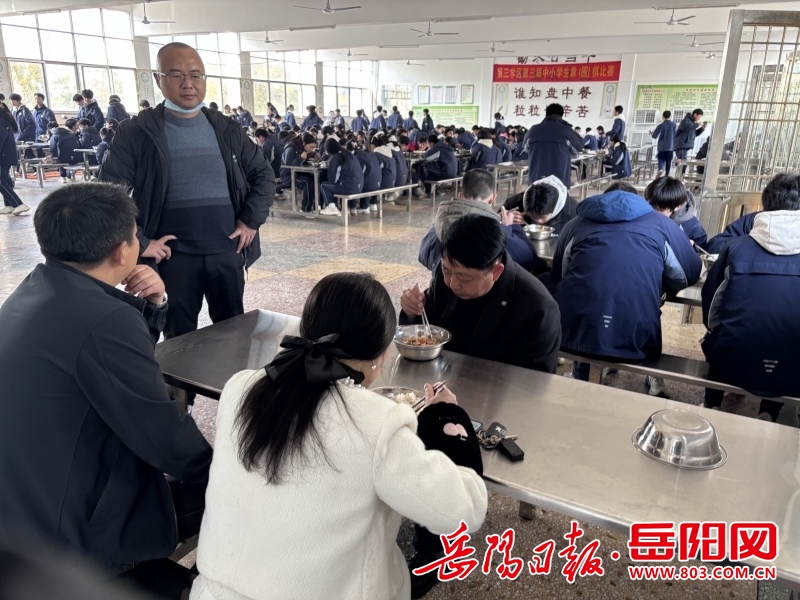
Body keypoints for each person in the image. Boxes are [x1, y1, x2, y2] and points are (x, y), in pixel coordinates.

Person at [189, 272, 486, 600]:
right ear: (381, 355)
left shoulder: (240, 388)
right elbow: (465, 510)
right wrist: (447, 417)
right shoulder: (376, 422)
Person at [0, 183, 212, 572]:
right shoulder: (105, 319)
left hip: (23, 501)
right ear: (121, 251)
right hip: (68, 533)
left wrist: (154, 304)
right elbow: (161, 434)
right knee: (219, 488)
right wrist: (224, 471)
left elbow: (105, 359)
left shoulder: (35, 288)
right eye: (136, 235)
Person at [99, 41, 274, 340]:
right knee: (178, 340)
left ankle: (230, 375)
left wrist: (250, 220)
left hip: (226, 251)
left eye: (195, 75)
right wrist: (140, 241)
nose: (188, 83)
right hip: (172, 258)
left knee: (234, 335)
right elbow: (106, 195)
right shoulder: (137, 132)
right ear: (158, 79)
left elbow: (264, 175)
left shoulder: (226, 129)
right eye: (176, 75)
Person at [550, 187, 701, 395]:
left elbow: (559, 273)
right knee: (641, 301)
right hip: (638, 337)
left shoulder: (575, 224)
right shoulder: (663, 225)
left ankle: (581, 377)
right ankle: (654, 379)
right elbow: (690, 272)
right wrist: (659, 285)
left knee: (587, 301)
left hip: (573, 333)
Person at [402, 214, 561, 372]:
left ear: (496, 272)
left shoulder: (537, 308)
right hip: (440, 378)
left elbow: (535, 380)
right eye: (447, 271)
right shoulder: (447, 271)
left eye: (464, 277)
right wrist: (412, 312)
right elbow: (428, 328)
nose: (452, 283)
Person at [701, 173, 800, 422]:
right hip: (794, 371)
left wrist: (717, 328)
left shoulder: (736, 248)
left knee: (720, 337)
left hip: (734, 361)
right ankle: (769, 412)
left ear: (764, 205)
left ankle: (712, 404)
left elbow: (711, 306)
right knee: (785, 341)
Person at [418, 169, 539, 272]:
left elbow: (424, 255)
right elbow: (529, 259)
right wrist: (507, 228)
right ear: (493, 198)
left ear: (461, 196)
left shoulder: (441, 220)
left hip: (441, 289)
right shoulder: (492, 231)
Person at [523, 103, 584, 188]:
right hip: (559, 180)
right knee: (558, 196)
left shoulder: (533, 130)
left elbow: (525, 149)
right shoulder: (566, 130)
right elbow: (579, 147)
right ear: (561, 115)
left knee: (535, 196)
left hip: (536, 177)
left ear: (546, 114)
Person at [644, 176, 707, 248]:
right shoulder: (643, 213)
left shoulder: (695, 231)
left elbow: (701, 253)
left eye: (660, 209)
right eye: (650, 206)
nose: (653, 212)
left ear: (677, 207)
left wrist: (690, 249)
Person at [502, 174, 577, 234]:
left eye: (543, 217)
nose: (538, 221)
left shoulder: (573, 214)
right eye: (533, 216)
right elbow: (496, 225)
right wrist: (502, 220)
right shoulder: (516, 203)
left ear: (555, 210)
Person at [318, 138, 362, 217]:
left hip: (348, 187)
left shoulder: (336, 157)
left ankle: (331, 207)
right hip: (359, 186)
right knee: (334, 184)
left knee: (323, 185)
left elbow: (333, 180)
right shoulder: (348, 154)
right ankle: (339, 207)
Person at [0, 106, 29, 216]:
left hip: (3, 154)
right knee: (5, 180)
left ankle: (18, 204)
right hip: (5, 154)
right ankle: (9, 205)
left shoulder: (1, 119)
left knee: (1, 182)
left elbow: (0, 138)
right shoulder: (4, 117)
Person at [281, 132, 319, 213]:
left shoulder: (302, 147)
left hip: (299, 173)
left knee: (317, 179)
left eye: (314, 147)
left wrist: (314, 155)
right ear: (304, 144)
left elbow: (306, 158)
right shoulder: (291, 148)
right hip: (288, 175)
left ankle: (317, 206)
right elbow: (288, 166)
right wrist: (300, 158)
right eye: (311, 147)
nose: (312, 149)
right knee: (307, 182)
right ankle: (305, 209)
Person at [352, 140, 381, 213]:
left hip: (369, 185)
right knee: (370, 178)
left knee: (355, 183)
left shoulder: (359, 157)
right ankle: (373, 204)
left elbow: (359, 173)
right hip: (378, 184)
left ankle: (362, 207)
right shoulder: (373, 155)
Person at [368, 131, 397, 201]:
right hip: (391, 182)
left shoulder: (377, 154)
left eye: (370, 145)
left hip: (384, 183)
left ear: (373, 145)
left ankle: (372, 203)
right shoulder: (388, 151)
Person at [651, 110, 676, 177]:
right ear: (670, 116)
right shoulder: (674, 125)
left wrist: (652, 133)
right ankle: (667, 174)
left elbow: (655, 136)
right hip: (670, 146)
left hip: (661, 146)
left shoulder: (660, 125)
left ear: (663, 117)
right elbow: (676, 135)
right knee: (668, 160)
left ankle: (660, 169)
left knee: (661, 159)